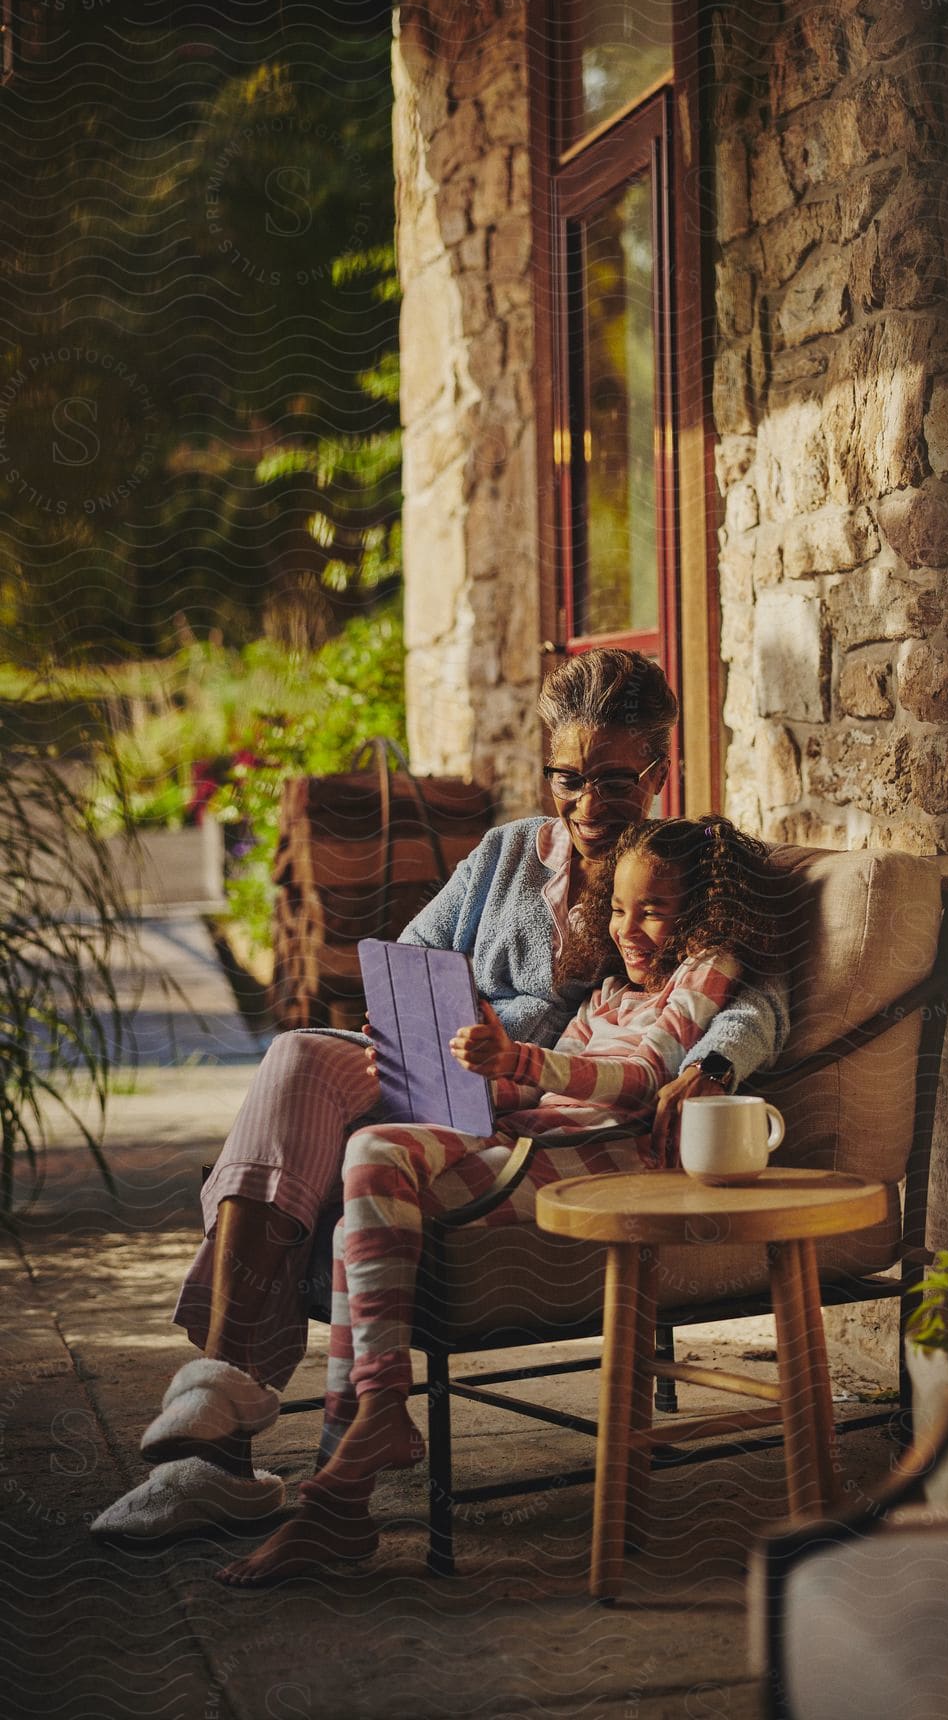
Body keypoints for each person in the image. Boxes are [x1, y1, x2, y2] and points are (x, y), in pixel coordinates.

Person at [91, 650, 790, 1540]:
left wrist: (716, 1066)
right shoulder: (505, 854)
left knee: (307, 1118)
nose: (586, 805)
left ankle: (213, 1447)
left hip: (525, 1101)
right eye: (568, 778)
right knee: (301, 1059)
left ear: (658, 768)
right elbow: (412, 959)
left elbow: (757, 989)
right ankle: (215, 1425)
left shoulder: (676, 868)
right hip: (430, 1065)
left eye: (613, 781)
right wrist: (445, 1014)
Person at [215, 814, 777, 1585]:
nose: (628, 929)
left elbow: (638, 1078)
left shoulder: (706, 971)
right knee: (364, 1187)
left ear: (703, 912)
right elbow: (542, 1083)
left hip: (599, 1164)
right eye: (618, 908)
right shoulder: (606, 993)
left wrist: (521, 1058)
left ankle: (358, 1459)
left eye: (652, 909)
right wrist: (480, 1065)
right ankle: (348, 1482)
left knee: (374, 1160)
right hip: (537, 1146)